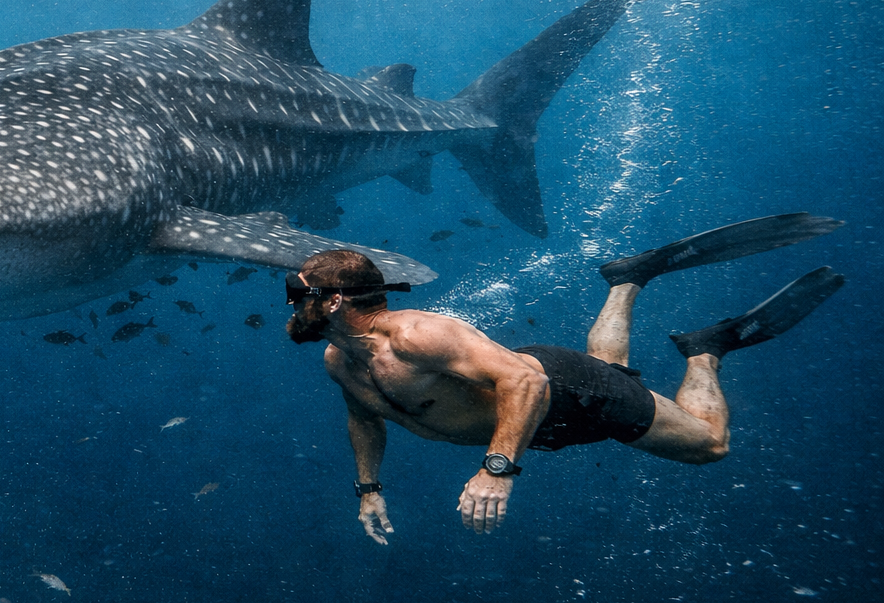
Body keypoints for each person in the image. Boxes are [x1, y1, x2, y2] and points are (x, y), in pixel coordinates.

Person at [284, 214, 843, 542]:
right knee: (615, 374)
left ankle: (704, 351)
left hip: (561, 392)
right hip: (540, 416)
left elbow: (526, 385)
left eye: (297, 293)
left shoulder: (419, 336)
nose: (290, 304)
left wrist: (497, 471)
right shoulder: (341, 360)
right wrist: (368, 489)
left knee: (709, 445)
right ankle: (626, 281)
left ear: (333, 301)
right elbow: (364, 416)